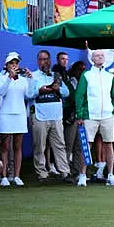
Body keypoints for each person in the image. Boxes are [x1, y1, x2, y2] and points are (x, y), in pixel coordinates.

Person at [75, 50, 114, 186]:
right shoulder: (87, 75)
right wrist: (80, 114)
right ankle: (82, 175)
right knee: (86, 145)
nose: (100, 57)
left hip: (107, 115)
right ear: (92, 59)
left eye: (102, 56)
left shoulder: (109, 76)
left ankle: (111, 175)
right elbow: (80, 95)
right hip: (90, 115)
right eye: (97, 56)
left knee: (109, 144)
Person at [30, 50, 72, 183]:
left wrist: (57, 89)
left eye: (47, 59)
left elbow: (66, 93)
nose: (45, 62)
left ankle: (64, 172)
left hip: (56, 116)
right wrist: (39, 90)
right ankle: (42, 173)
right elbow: (28, 94)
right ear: (38, 61)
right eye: (42, 59)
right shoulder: (33, 76)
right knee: (39, 146)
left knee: (60, 144)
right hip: (39, 115)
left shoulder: (56, 75)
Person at [0, 52, 34, 186]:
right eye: (11, 63)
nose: (14, 65)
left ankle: (17, 176)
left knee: (18, 146)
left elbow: (30, 94)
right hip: (5, 114)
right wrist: (9, 78)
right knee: (5, 147)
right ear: (6, 65)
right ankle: (4, 177)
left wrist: (31, 80)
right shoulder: (1, 78)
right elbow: (1, 92)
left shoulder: (23, 79)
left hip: (19, 114)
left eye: (16, 63)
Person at [63, 61, 87, 182]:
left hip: (82, 117)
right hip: (72, 117)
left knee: (79, 146)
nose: (81, 72)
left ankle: (78, 171)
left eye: (83, 69)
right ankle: (65, 171)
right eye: (79, 69)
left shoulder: (86, 82)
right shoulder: (69, 82)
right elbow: (72, 97)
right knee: (68, 145)